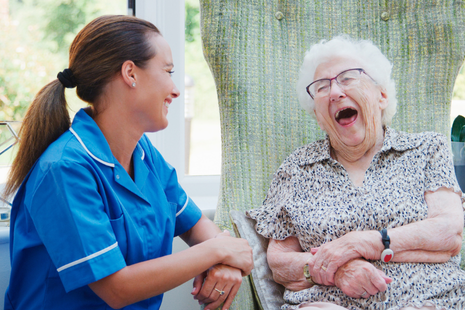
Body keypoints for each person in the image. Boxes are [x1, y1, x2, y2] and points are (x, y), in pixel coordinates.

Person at [3, 15, 253, 310]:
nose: (175, 89)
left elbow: (194, 223)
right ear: (130, 73)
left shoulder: (143, 152)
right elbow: (117, 288)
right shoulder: (64, 169)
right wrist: (217, 250)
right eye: (168, 71)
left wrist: (225, 260)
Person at [247, 35, 465, 309]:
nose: (335, 92)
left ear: (381, 95)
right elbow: (279, 262)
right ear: (317, 115)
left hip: (427, 299)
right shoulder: (297, 168)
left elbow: (448, 234)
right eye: (322, 87)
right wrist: (336, 271)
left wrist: (362, 243)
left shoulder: (426, 148)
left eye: (348, 78)